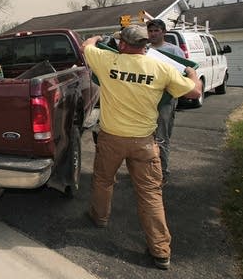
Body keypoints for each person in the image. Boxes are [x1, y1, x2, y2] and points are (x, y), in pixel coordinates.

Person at [81, 25, 201, 270]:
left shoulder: (107, 60)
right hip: (144, 143)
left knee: (103, 181)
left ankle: (99, 217)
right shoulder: (161, 68)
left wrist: (97, 37)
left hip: (111, 138)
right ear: (145, 45)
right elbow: (195, 92)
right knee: (150, 194)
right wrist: (192, 74)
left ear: (123, 45)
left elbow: (86, 47)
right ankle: (160, 251)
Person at [146, 19, 186, 185]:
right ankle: (148, 171)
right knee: (146, 137)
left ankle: (162, 173)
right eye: (151, 31)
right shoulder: (144, 51)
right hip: (146, 100)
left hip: (166, 101)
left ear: (163, 32)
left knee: (162, 136)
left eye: (156, 31)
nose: (153, 34)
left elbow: (184, 74)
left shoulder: (174, 51)